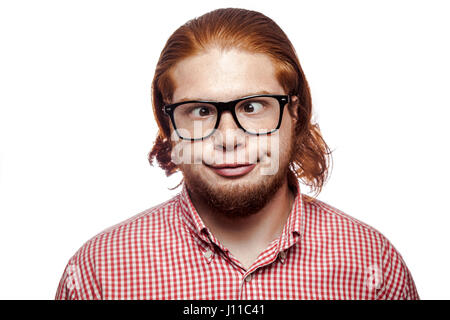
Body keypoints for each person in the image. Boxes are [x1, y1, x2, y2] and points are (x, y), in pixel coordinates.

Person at [55, 7, 419, 300]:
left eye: (252, 107)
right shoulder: (98, 274)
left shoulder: (374, 265)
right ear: (169, 126)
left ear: (295, 112)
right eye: (200, 111)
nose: (228, 138)